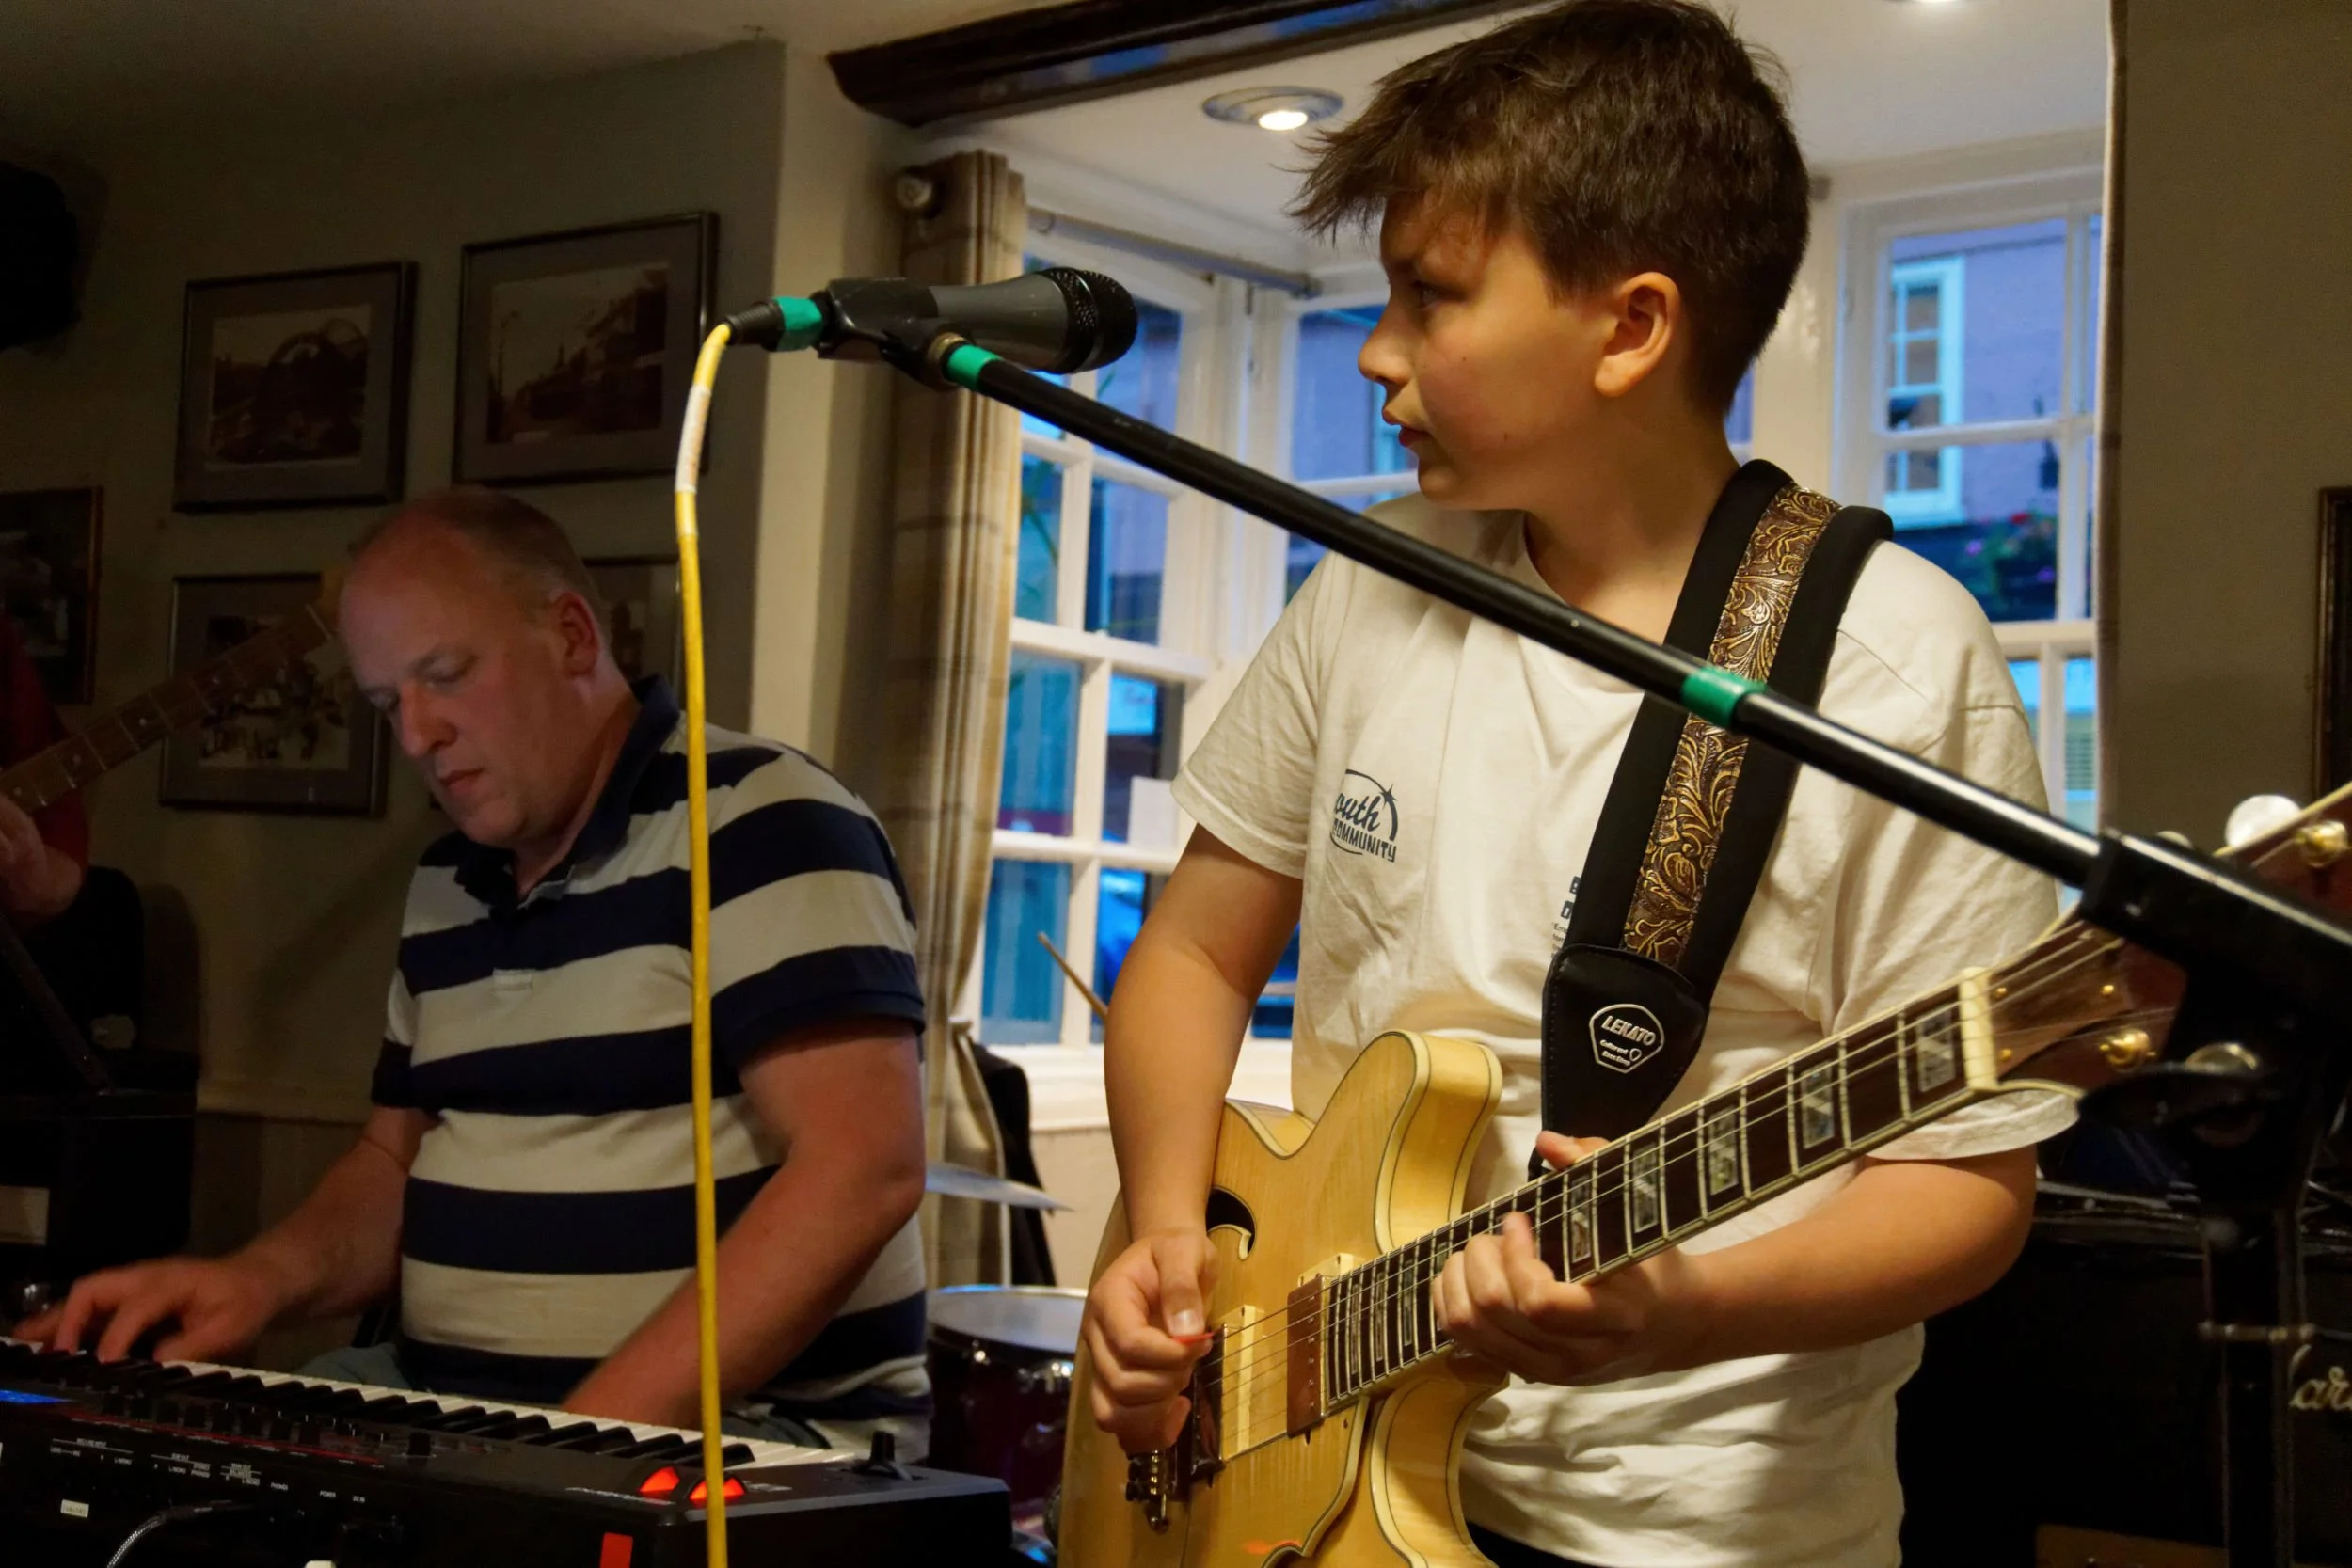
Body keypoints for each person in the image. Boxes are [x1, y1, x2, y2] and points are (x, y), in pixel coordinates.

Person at [1080, 5, 2069, 1565]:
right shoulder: (1370, 584)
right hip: (1303, 1464)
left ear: (1629, 327)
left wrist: (1679, 1307)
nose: (1381, 354)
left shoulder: (1886, 660)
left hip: (1685, 1529)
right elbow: (1198, 951)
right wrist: (1158, 1240)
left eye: (1432, 295)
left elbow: (1970, 1180)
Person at [24, 486, 931, 1451]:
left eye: (446, 674)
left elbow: (861, 1167)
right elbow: (393, 1159)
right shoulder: (447, 879)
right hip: (458, 1414)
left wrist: (576, 1443)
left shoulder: (761, 820)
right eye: (387, 701)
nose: (416, 733)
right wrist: (256, 1279)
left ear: (573, 635)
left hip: (743, 1445)